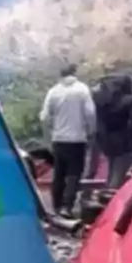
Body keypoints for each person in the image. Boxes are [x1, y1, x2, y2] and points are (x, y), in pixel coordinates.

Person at [39, 63, 96, 217]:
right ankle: (67, 206)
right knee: (74, 174)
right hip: (77, 139)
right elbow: (90, 113)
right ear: (74, 73)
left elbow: (44, 117)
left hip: (59, 139)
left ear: (61, 75)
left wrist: (52, 129)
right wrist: (90, 130)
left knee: (59, 172)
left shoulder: (53, 92)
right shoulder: (82, 90)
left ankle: (55, 206)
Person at [90, 74, 132, 189]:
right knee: (117, 176)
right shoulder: (131, 101)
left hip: (106, 142)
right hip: (124, 143)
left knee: (112, 171)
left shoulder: (101, 101)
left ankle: (106, 195)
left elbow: (98, 122)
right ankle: (111, 200)